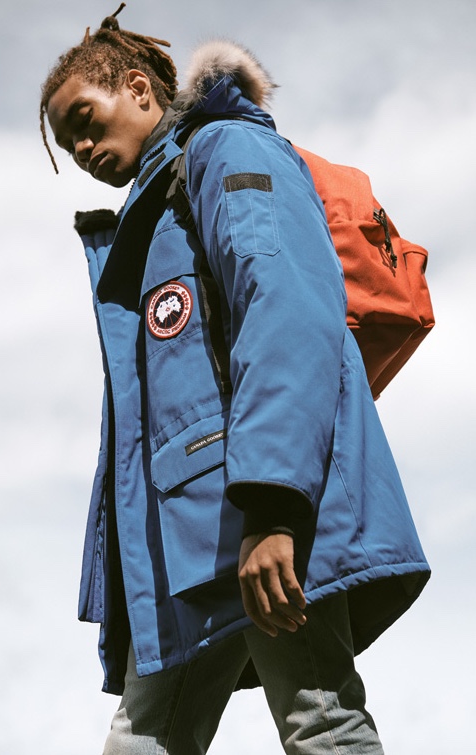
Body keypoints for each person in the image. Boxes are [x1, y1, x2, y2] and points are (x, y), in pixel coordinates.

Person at [40, 5, 430, 754]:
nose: (82, 147)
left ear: (138, 87)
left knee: (321, 722)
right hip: (192, 541)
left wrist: (274, 509)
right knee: (144, 739)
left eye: (86, 119)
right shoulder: (148, 220)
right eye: (68, 141)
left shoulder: (224, 150)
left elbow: (284, 314)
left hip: (260, 522)